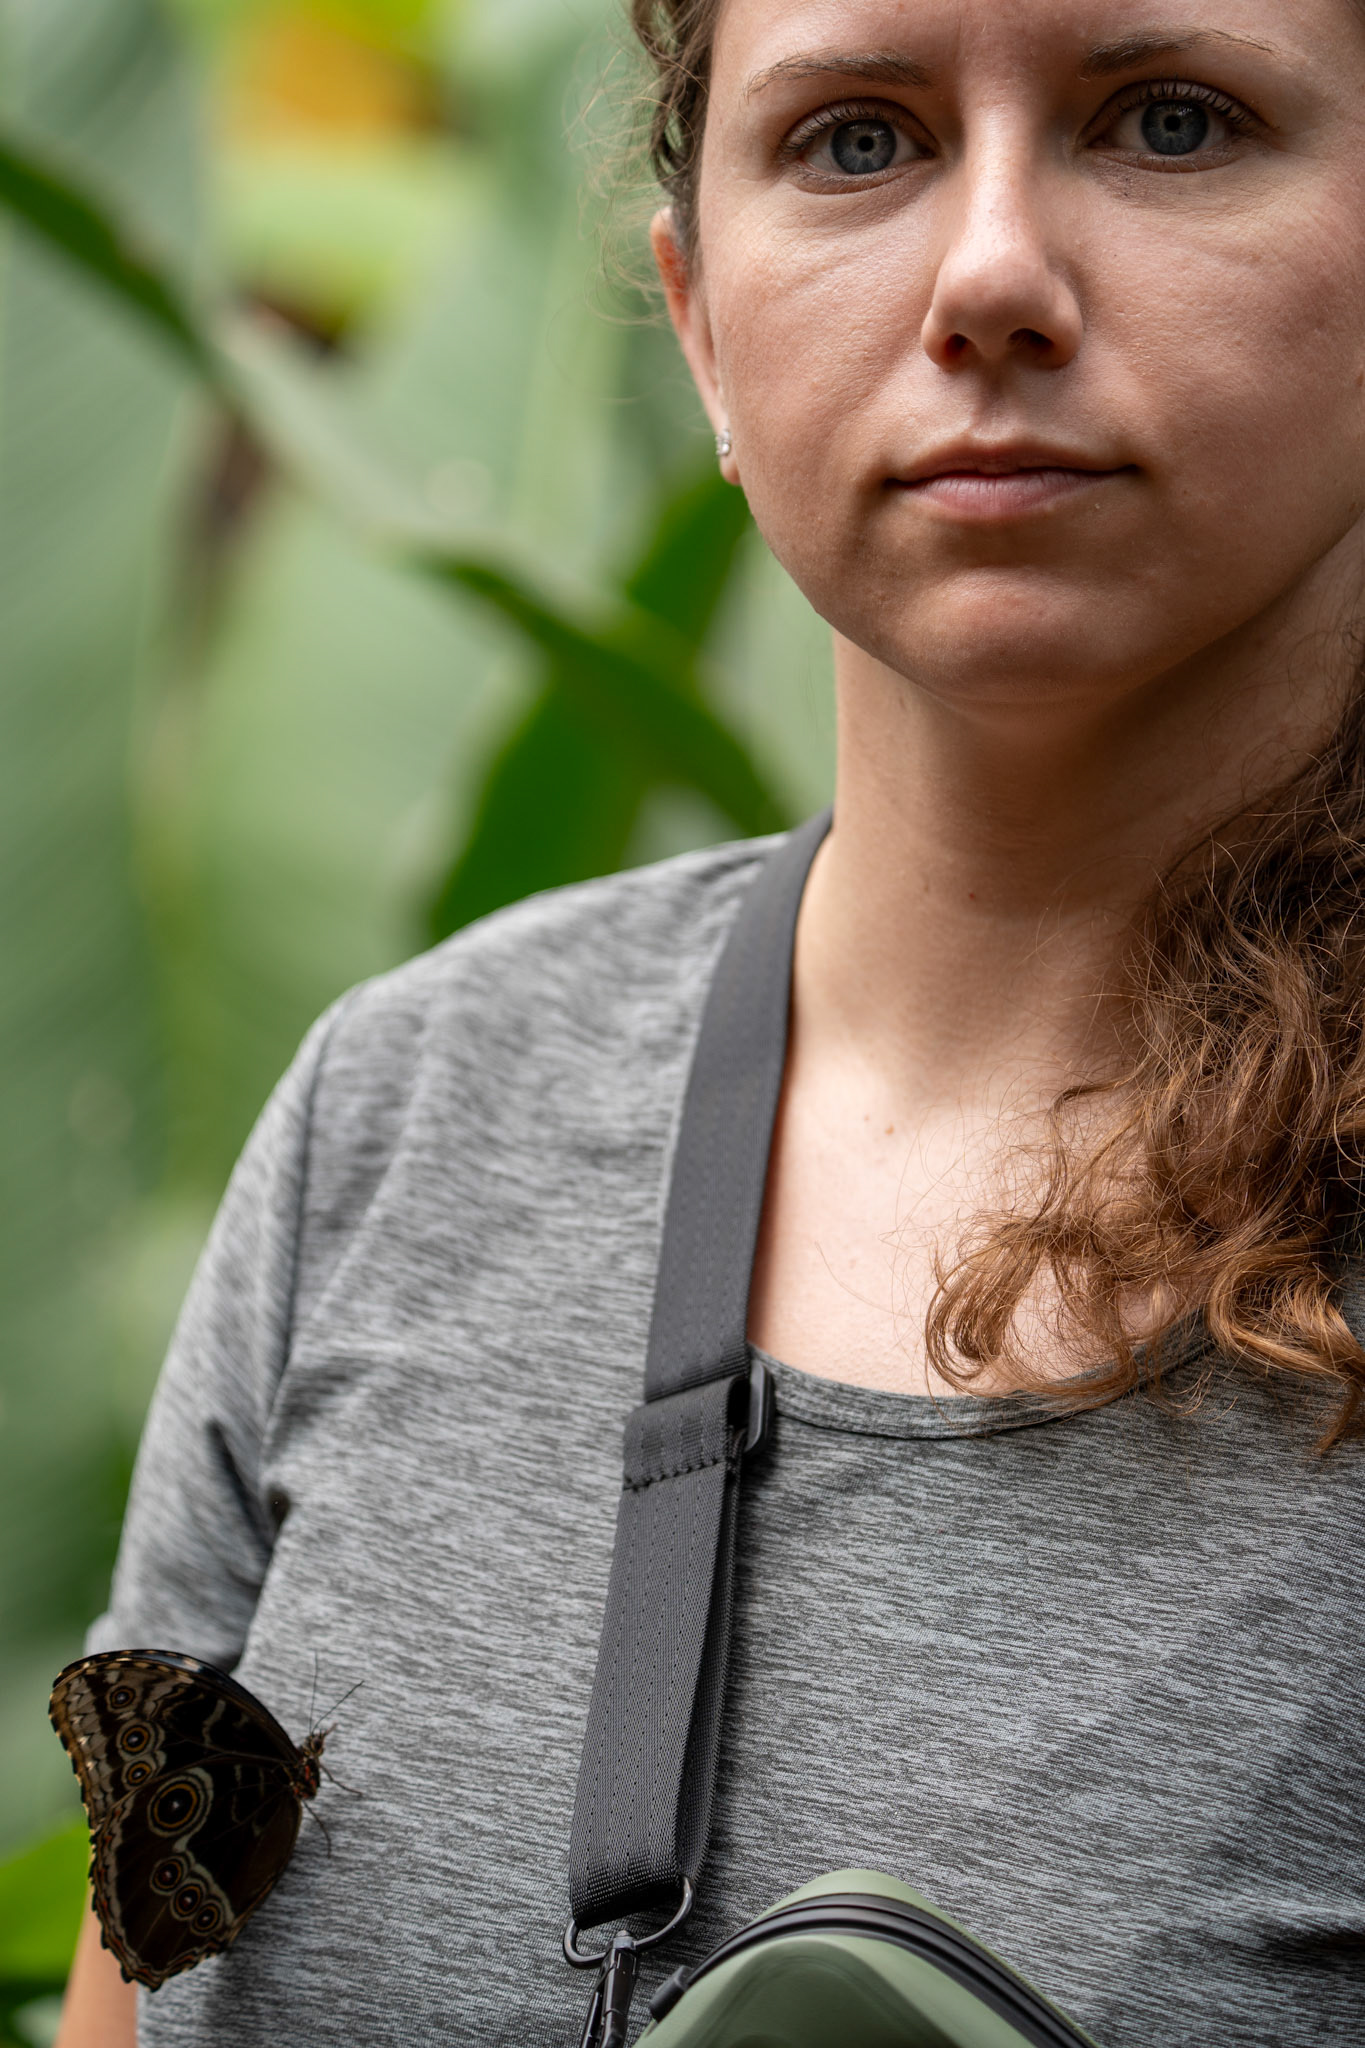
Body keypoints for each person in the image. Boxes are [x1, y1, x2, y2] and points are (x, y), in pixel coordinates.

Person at [56, 0, 1365, 2041]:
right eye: (856, 139)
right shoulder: (409, 1108)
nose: (990, 275)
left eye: (1170, 121)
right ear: (696, 323)